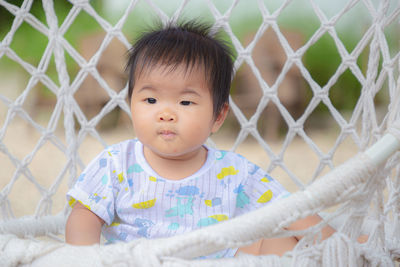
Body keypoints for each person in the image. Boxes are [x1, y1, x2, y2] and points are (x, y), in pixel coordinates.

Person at [65, 20, 336, 258]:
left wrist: (339, 242)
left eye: (185, 101)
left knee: (281, 240)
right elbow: (85, 216)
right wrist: (86, 258)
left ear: (218, 116)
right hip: (140, 261)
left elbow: (288, 210)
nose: (166, 113)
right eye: (150, 100)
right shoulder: (115, 163)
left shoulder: (233, 171)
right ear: (130, 105)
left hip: (219, 261)